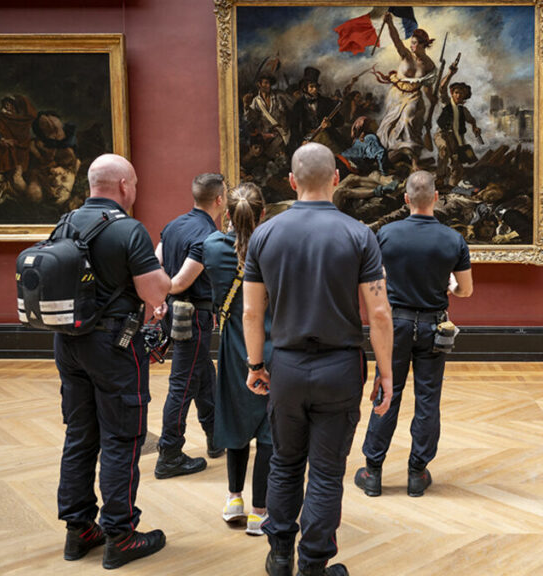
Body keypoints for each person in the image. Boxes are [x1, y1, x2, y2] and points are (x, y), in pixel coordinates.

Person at [243, 142, 394, 576]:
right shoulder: (359, 234)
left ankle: (278, 556)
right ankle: (312, 565)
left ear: (292, 181)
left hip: (286, 367)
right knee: (326, 474)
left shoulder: (265, 234)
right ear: (334, 179)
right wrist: (386, 375)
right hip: (340, 368)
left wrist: (256, 365)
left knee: (285, 463)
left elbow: (252, 311)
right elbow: (379, 313)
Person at [53, 153, 170, 569]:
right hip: (115, 348)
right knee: (121, 438)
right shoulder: (128, 230)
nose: (134, 191)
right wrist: (164, 276)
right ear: (123, 186)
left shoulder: (64, 223)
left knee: (81, 434)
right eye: (134, 184)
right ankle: (120, 534)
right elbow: (156, 293)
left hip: (67, 344)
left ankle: (78, 530)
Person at [354, 170, 473, 499]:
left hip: (396, 324)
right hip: (435, 326)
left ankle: (373, 472)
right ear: (435, 198)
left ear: (406, 199)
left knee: (386, 392)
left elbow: (375, 280)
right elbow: (465, 290)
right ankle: (417, 473)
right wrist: (448, 285)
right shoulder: (453, 239)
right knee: (428, 399)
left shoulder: (387, 234)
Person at [202, 182, 274, 536]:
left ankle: (234, 499)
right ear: (263, 213)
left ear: (226, 214)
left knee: (234, 418)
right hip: (271, 341)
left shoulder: (211, 247)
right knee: (269, 429)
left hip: (232, 345)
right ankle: (260, 511)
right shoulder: (273, 245)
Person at [153, 173, 227, 479]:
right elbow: (180, 281)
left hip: (177, 314)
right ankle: (169, 454)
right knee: (182, 385)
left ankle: (216, 436)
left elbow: (155, 263)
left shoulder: (173, 225)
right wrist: (168, 292)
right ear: (220, 200)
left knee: (203, 374)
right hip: (192, 316)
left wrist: (160, 299)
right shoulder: (207, 236)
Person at [375, 12, 437, 169]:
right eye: (411, 42)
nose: (411, 45)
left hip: (414, 96)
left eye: (415, 43)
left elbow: (427, 88)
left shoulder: (429, 66)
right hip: (396, 95)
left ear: (423, 44)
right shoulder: (406, 55)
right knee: (389, 127)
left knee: (408, 119)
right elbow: (396, 40)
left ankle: (414, 160)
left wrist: (432, 99)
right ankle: (392, 158)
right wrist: (389, 24)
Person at [434, 62, 483, 187]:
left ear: (464, 96)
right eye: (456, 92)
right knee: (443, 150)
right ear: (452, 93)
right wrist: (450, 73)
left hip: (456, 139)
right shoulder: (446, 103)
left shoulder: (463, 110)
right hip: (442, 135)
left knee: (457, 164)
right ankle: (439, 177)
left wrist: (475, 128)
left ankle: (451, 186)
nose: (458, 95)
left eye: (461, 93)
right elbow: (441, 87)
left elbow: (471, 120)